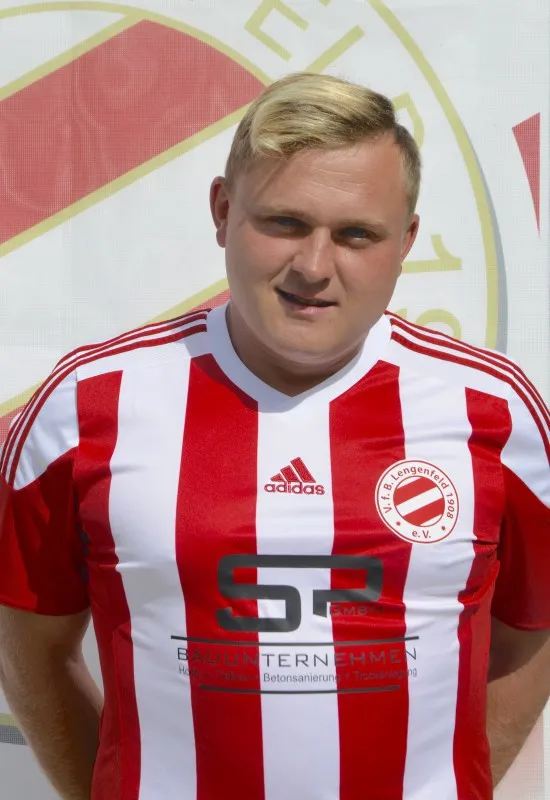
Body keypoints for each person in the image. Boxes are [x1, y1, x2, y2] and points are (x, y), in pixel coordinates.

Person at [0, 71, 548, 800]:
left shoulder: (496, 411)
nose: (314, 267)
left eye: (356, 234)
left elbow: (532, 632)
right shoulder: (86, 404)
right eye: (285, 223)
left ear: (406, 241)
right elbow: (30, 646)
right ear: (223, 211)